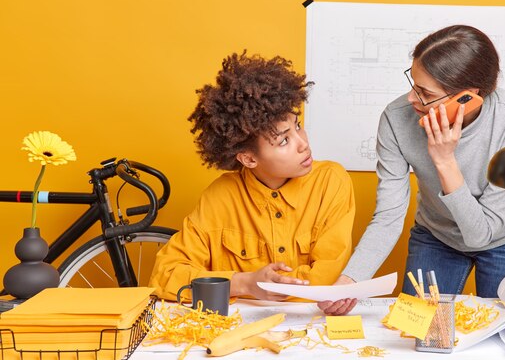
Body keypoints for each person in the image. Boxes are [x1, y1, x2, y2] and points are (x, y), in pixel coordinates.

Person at [318, 25, 505, 315]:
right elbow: (389, 216)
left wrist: (445, 160)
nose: (412, 98)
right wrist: (350, 281)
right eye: (413, 83)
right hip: (437, 235)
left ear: (468, 97)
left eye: (425, 92)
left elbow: (481, 234)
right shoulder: (397, 119)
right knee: (418, 329)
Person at [149, 51, 355, 302]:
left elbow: (326, 276)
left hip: (311, 330)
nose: (303, 144)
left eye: (298, 125)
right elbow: (165, 275)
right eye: (283, 140)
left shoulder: (331, 182)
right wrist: (246, 283)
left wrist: (232, 285)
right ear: (248, 159)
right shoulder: (220, 197)